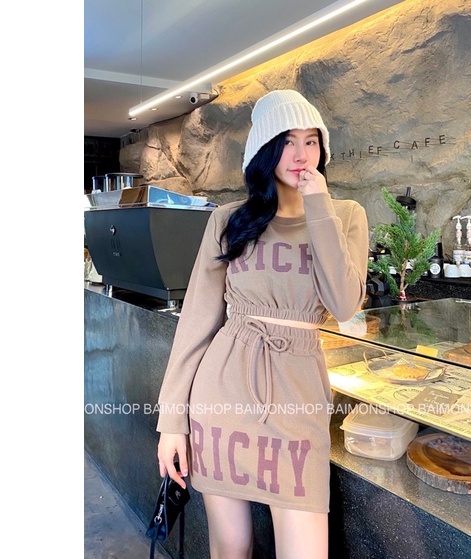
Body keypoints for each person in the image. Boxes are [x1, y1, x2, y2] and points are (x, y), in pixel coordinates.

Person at [156, 89, 369, 558]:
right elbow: (196, 321)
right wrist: (172, 421)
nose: (301, 154)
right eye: (287, 142)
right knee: (231, 547)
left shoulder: (345, 215)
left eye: (311, 141)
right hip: (222, 395)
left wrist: (318, 204)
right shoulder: (229, 220)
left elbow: (344, 303)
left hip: (298, 401)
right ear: (265, 151)